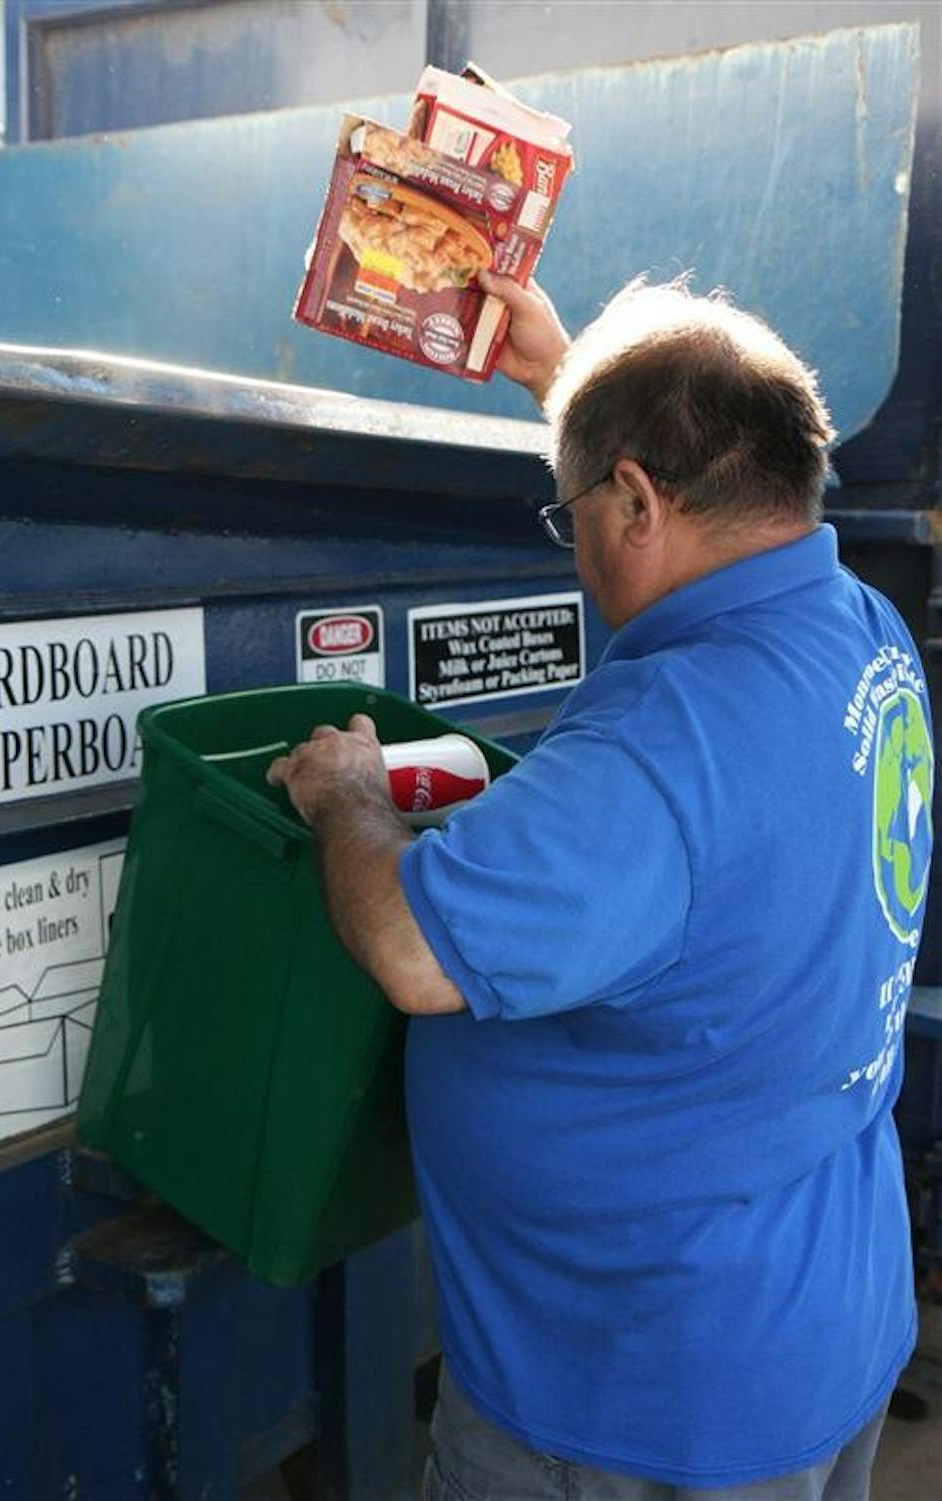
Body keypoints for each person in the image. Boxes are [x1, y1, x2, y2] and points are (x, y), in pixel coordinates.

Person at [267, 272, 935, 1500]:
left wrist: (348, 796)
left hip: (636, 1399)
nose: (572, 546)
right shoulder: (861, 632)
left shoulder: (663, 747)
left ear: (633, 496)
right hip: (816, 1305)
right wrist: (562, 378)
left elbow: (414, 951)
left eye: (573, 510)